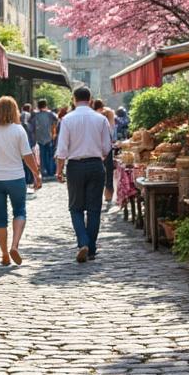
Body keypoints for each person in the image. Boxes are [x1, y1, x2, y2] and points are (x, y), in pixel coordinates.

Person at [0, 96, 42, 266]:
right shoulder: (19, 130)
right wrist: (36, 174)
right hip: (16, 178)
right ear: (15, 111)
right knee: (19, 211)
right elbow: (27, 155)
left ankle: (4, 254)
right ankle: (15, 245)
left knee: (0, 217)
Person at [56, 87, 115, 263]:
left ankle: (83, 242)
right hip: (96, 165)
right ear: (90, 100)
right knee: (94, 209)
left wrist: (59, 170)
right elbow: (107, 148)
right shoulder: (101, 119)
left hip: (75, 166)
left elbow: (62, 149)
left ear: (74, 99)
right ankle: (91, 249)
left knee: (75, 208)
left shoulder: (67, 119)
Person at [92, 100, 118, 206]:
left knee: (97, 171)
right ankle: (109, 195)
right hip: (107, 147)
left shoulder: (93, 116)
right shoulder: (109, 113)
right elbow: (112, 132)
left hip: (95, 147)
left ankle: (97, 194)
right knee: (109, 171)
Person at [27, 100, 58, 177]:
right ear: (45, 105)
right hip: (49, 136)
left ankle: (43, 171)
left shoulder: (35, 114)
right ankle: (51, 171)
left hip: (39, 137)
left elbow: (30, 123)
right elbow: (57, 119)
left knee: (41, 156)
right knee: (50, 155)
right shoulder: (50, 114)